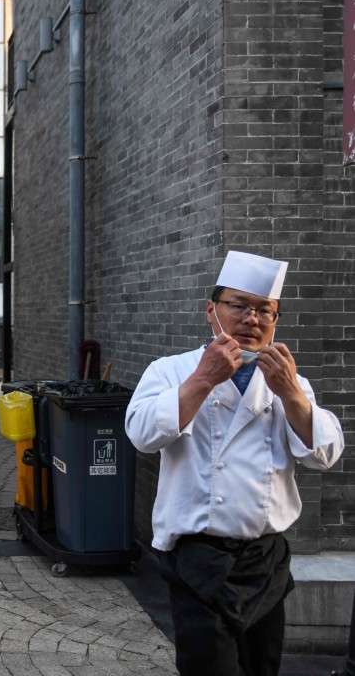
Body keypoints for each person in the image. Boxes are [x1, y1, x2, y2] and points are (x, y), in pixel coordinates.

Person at [125, 250, 345, 676]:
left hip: (266, 560)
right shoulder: (172, 371)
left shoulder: (289, 380)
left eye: (265, 310)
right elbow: (142, 435)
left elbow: (326, 454)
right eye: (238, 305)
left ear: (275, 320)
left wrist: (290, 394)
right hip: (198, 560)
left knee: (263, 666)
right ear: (211, 310)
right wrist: (204, 379)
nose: (251, 319)